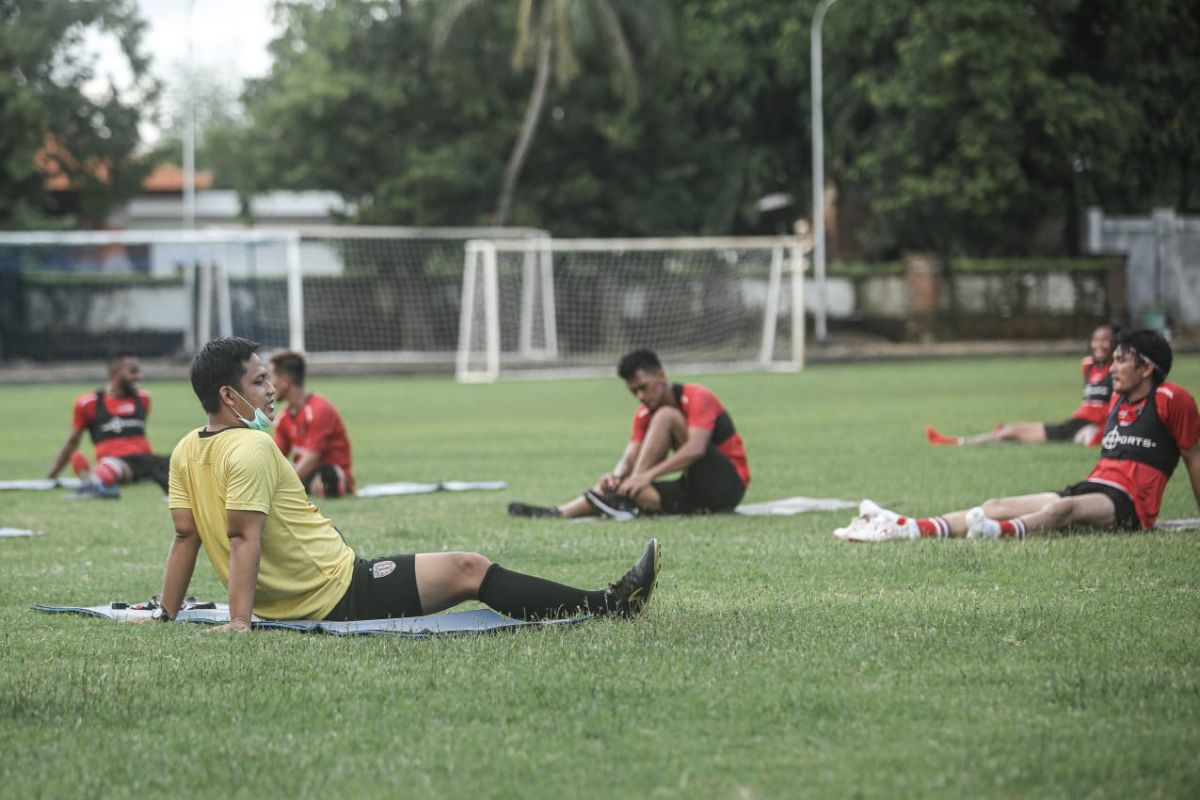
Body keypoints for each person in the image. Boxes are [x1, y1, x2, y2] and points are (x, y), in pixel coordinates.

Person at [154, 336, 660, 631]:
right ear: (228, 393)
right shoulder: (253, 445)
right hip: (338, 591)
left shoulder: (186, 447)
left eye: (270, 379)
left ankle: (606, 604)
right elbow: (243, 539)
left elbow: (185, 537)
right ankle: (609, 606)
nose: (271, 391)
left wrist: (166, 614)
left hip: (309, 593)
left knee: (465, 568)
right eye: (259, 382)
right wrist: (241, 623)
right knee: (469, 568)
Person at [836, 329, 1200, 542]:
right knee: (995, 504)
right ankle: (907, 528)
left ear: (1147, 367)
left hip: (1130, 506)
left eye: (1122, 359)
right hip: (1093, 487)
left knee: (1061, 509)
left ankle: (996, 533)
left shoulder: (1171, 400)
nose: (1113, 367)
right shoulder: (1119, 400)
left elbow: (1193, 457)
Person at [508, 348, 750, 520]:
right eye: (634, 392)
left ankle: (624, 497)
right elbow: (631, 453)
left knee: (665, 417)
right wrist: (615, 477)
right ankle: (560, 513)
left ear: (661, 376)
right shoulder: (645, 413)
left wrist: (644, 476)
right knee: (643, 494)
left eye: (644, 387)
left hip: (728, 485)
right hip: (696, 492)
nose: (641, 397)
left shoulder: (696, 396)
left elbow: (696, 448)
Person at [925, 323, 1118, 446]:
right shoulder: (1088, 365)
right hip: (1075, 423)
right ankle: (992, 438)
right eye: (1096, 339)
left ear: (1115, 343)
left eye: (1105, 340)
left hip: (1089, 426)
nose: (1099, 344)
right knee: (1013, 433)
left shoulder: (1117, 369)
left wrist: (1103, 430)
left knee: (1013, 431)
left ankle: (959, 442)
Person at [46, 350, 170, 499]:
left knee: (177, 460)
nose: (139, 376)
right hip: (116, 462)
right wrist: (52, 474)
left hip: (146, 459)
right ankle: (95, 483)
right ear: (115, 372)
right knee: (111, 466)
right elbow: (72, 442)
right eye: (133, 371)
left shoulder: (143, 398)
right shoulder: (88, 403)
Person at [268, 350, 355, 497]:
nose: (269, 385)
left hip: (327, 472)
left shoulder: (319, 409)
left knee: (326, 479)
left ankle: (337, 485)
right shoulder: (283, 417)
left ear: (284, 382)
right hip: (305, 475)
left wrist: (282, 489)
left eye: (271, 377)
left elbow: (310, 459)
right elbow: (275, 456)